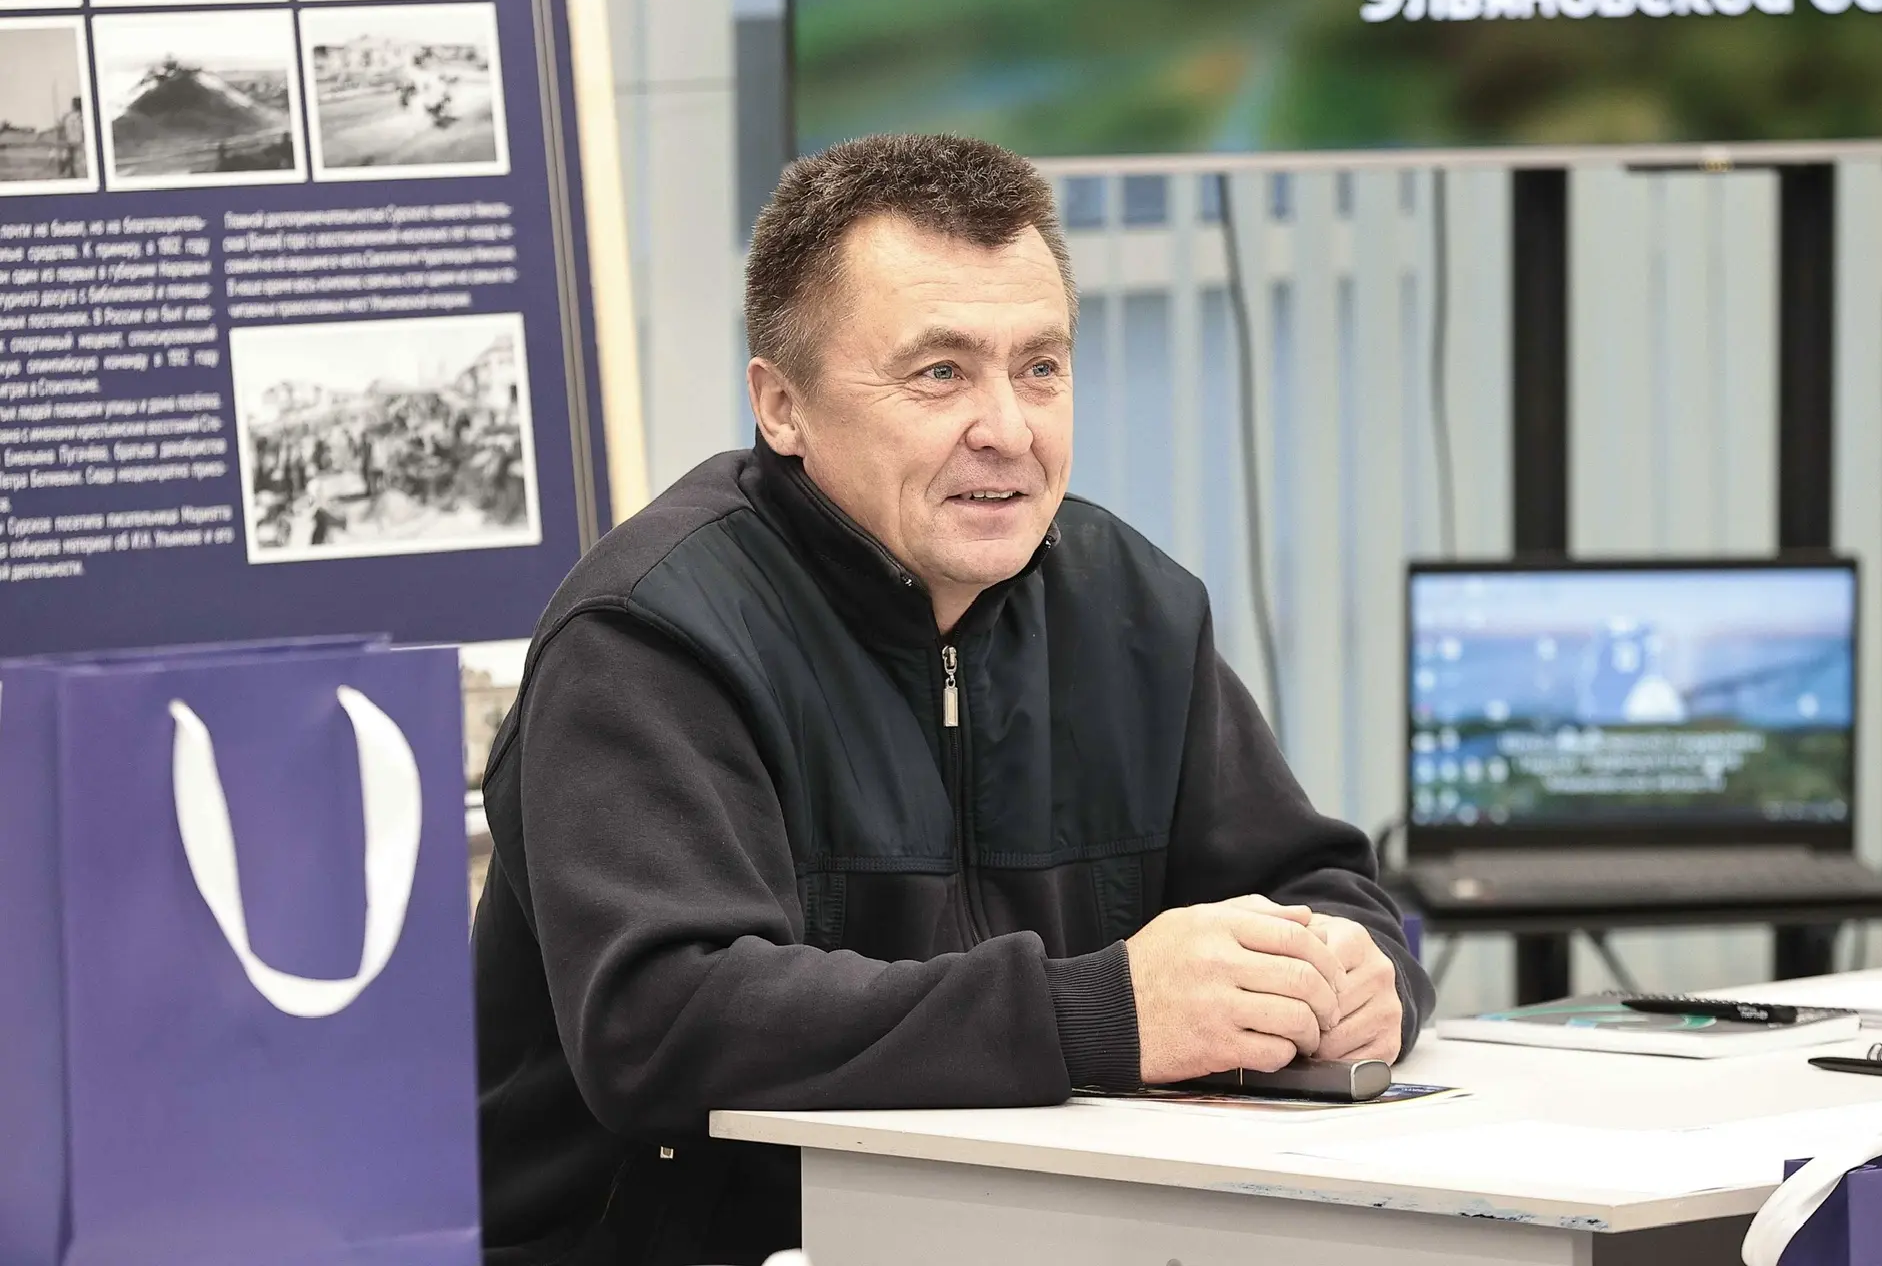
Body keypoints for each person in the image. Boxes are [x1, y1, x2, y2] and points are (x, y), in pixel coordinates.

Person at [473, 133, 1435, 1266]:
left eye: (1041, 368)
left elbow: (1318, 886)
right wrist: (1105, 1012)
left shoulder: (1129, 604)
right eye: (940, 373)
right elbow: (668, 1022)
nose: (1009, 430)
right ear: (782, 406)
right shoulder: (650, 634)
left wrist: (1360, 975)